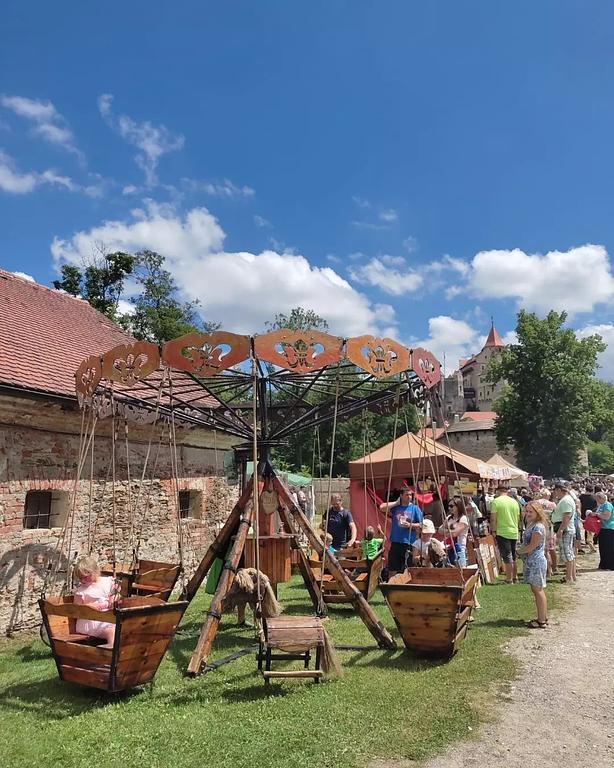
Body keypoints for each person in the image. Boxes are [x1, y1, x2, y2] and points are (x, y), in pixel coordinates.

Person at [517, 501, 549, 628]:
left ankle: (542, 620)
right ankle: (542, 616)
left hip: (537, 561)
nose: (528, 513)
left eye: (531, 511)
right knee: (536, 590)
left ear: (537, 512)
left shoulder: (538, 527)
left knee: (538, 590)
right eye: (527, 511)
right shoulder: (532, 524)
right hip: (532, 561)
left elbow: (532, 546)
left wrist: (518, 552)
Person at [73, 555, 117, 645]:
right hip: (90, 620)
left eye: (85, 577)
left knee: (124, 627)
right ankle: (111, 649)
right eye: (80, 578)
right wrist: (88, 606)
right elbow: (76, 610)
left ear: (95, 572)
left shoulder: (107, 582)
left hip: (107, 617)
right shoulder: (81, 591)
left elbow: (116, 594)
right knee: (112, 631)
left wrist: (113, 598)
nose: (83, 581)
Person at [379, 487, 423, 575]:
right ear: (401, 496)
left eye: (410, 495)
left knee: (409, 571)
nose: (409, 497)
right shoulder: (396, 507)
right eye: (406, 495)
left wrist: (410, 525)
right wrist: (396, 503)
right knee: (392, 570)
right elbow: (381, 507)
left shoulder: (415, 508)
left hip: (409, 543)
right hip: (395, 543)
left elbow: (422, 524)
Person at [490, 486, 520, 583]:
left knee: (507, 556)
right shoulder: (514, 502)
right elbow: (518, 517)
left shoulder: (496, 501)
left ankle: (509, 579)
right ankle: (515, 577)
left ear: (498, 491)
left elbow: (493, 518)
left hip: (502, 531)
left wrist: (493, 530)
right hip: (514, 531)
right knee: (513, 556)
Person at [551, 483, 577, 584]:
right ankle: (572, 576)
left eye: (555, 490)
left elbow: (567, 516)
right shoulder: (566, 499)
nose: (554, 493)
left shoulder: (566, 500)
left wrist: (561, 530)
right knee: (569, 552)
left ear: (559, 490)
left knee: (567, 553)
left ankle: (569, 577)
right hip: (567, 529)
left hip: (566, 530)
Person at [444, 499, 470, 567]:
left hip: (459, 549)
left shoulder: (463, 518)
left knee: (461, 569)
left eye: (451, 506)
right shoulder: (449, 518)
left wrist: (447, 530)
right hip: (449, 549)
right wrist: (451, 530)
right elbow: (440, 530)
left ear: (458, 506)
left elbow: (455, 533)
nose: (449, 508)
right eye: (448, 506)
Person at [595, 491, 614, 570]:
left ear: (601, 498)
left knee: (608, 548)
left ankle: (610, 565)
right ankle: (603, 564)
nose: (596, 500)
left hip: (609, 528)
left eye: (597, 499)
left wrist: (597, 515)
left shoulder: (607, 505)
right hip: (602, 528)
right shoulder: (601, 505)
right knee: (602, 547)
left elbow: (607, 517)